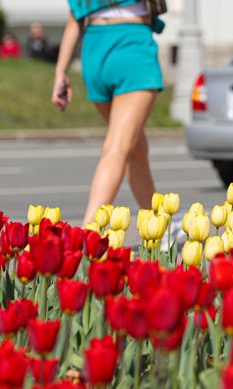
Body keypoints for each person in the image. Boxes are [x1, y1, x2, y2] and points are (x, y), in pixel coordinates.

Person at [52, 0, 164, 226]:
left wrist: (60, 72)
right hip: (131, 47)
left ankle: (157, 223)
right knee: (117, 148)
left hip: (94, 49)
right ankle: (88, 232)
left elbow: (75, 20)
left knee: (135, 148)